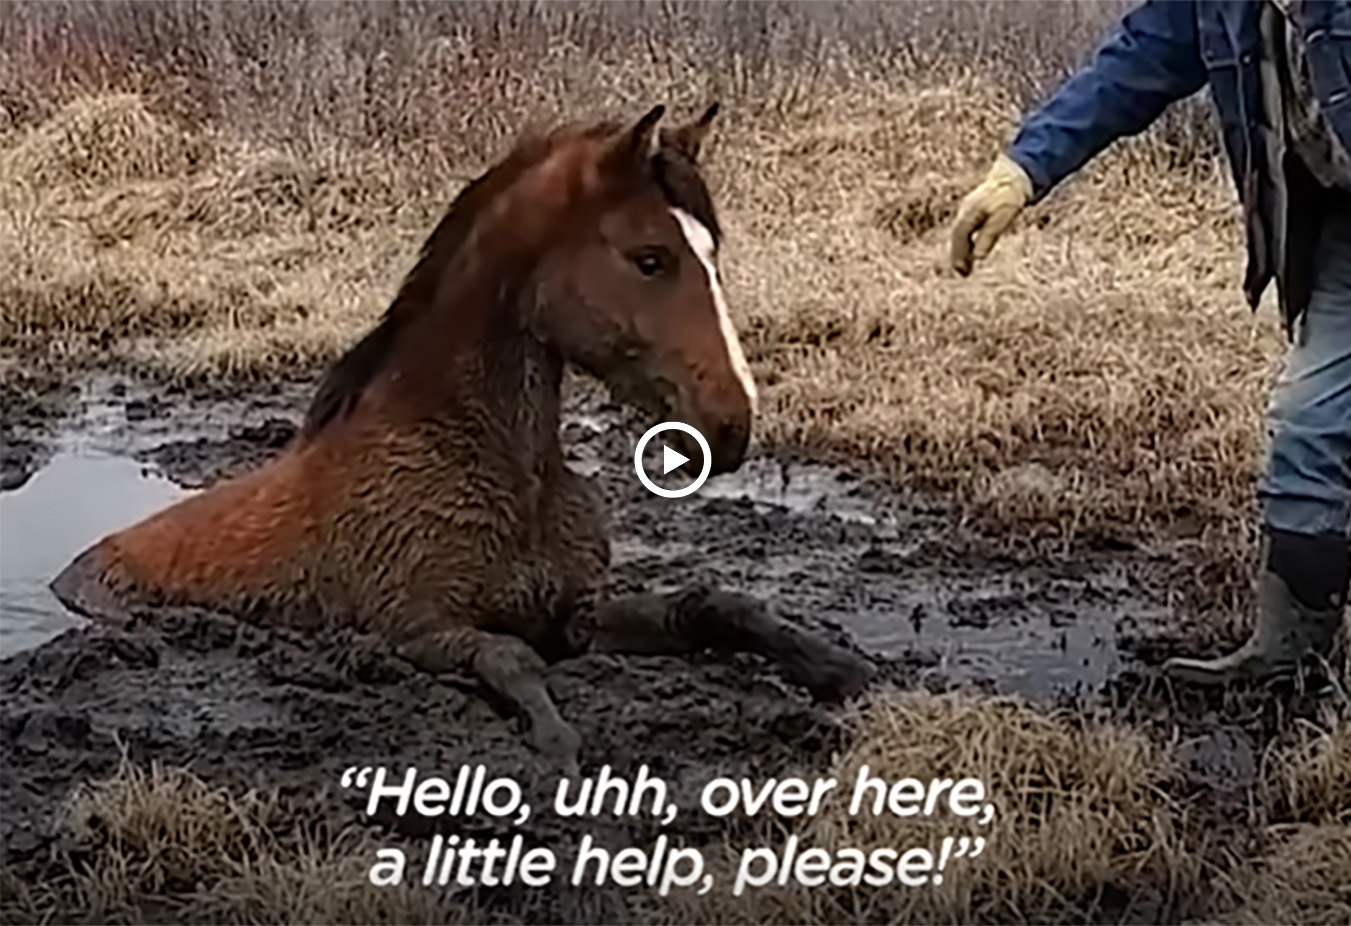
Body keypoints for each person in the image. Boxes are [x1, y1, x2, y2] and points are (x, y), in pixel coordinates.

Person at [950, 0, 1349, 685]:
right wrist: (1021, 171)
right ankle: (1287, 666)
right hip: (1340, 225)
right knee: (1307, 423)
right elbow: (1137, 60)